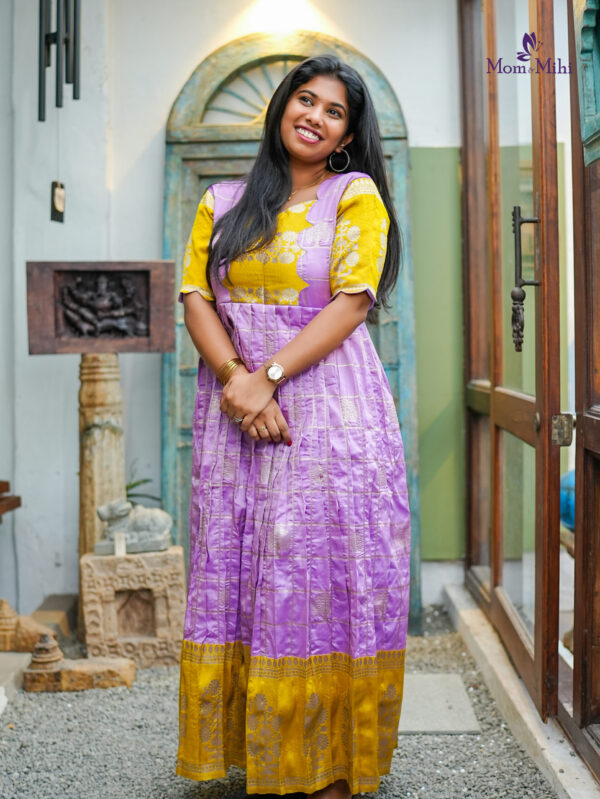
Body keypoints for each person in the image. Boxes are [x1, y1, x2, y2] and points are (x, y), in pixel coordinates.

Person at [176, 54, 411, 799]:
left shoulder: (354, 194)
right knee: (243, 570)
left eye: (334, 111)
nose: (315, 116)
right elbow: (195, 294)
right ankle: (267, 753)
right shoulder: (222, 200)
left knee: (319, 575)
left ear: (347, 135)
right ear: (282, 107)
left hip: (328, 410)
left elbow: (353, 300)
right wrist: (236, 382)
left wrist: (267, 377)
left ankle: (331, 764)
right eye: (306, 100)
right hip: (236, 416)